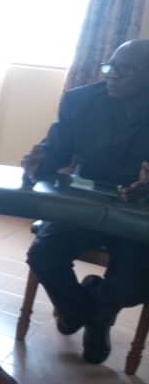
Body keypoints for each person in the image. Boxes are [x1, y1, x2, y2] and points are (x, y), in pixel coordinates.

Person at [21, 38, 149, 364]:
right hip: (85, 204)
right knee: (43, 255)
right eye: (110, 67)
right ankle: (84, 313)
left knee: (134, 284)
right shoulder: (80, 101)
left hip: (139, 215)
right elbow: (54, 152)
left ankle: (98, 314)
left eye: (125, 70)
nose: (112, 75)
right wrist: (37, 163)